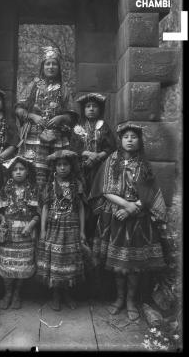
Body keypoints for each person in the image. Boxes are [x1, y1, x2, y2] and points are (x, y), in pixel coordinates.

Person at [89, 123, 167, 321]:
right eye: (126, 137)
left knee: (133, 265)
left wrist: (134, 209)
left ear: (139, 141)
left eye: (134, 136)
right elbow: (105, 188)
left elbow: (150, 191)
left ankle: (131, 301)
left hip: (137, 220)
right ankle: (119, 298)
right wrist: (125, 205)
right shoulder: (111, 161)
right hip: (115, 216)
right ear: (120, 140)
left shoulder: (143, 164)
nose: (130, 140)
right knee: (118, 264)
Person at [15, 46, 78, 190]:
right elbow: (18, 109)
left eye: (54, 64)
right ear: (42, 67)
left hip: (58, 138)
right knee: (34, 171)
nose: (51, 67)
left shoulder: (64, 88)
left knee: (57, 171)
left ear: (58, 67)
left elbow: (72, 116)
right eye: (47, 64)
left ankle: (54, 207)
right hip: (34, 136)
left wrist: (61, 117)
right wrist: (32, 116)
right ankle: (34, 207)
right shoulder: (33, 86)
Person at [36, 150, 86, 311]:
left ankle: (67, 294)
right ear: (55, 167)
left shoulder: (76, 184)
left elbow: (81, 209)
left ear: (71, 167)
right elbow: (44, 207)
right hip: (53, 227)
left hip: (71, 226)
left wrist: (82, 231)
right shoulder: (50, 185)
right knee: (55, 261)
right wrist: (42, 230)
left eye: (66, 165)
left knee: (68, 260)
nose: (63, 168)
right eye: (59, 165)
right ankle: (56, 295)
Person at [0, 156, 40, 309]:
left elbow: (38, 213)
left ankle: (17, 295)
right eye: (15, 169)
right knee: (8, 264)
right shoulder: (5, 189)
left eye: (21, 169)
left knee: (22, 265)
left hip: (26, 231)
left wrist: (31, 225)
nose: (18, 172)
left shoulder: (33, 189)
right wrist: (2, 219)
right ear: (10, 172)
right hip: (9, 231)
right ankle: (7, 294)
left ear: (27, 172)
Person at [70, 93, 116, 241]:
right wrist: (88, 153)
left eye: (94, 106)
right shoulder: (77, 128)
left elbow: (111, 147)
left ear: (99, 109)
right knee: (81, 200)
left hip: (99, 170)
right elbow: (73, 148)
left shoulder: (104, 127)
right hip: (81, 169)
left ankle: (95, 237)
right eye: (88, 106)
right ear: (83, 110)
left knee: (97, 200)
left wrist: (97, 156)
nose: (91, 109)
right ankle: (80, 235)